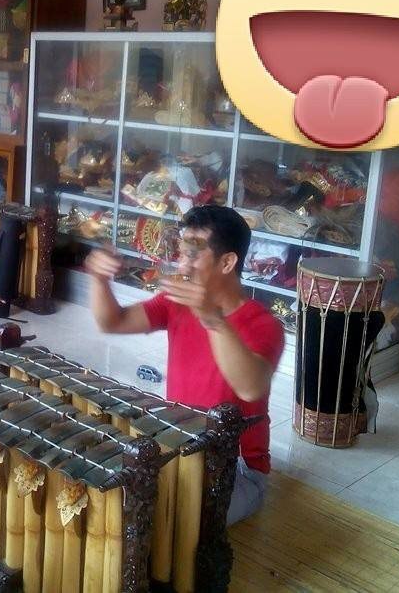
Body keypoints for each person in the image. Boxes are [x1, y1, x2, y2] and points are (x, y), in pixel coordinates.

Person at [84, 204, 283, 525]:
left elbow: (250, 387)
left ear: (227, 262)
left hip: (239, 468)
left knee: (169, 521)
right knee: (108, 492)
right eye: (180, 253)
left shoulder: (264, 324)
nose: (181, 264)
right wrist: (98, 279)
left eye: (192, 255)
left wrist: (212, 319)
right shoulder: (177, 303)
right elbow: (113, 322)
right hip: (178, 445)